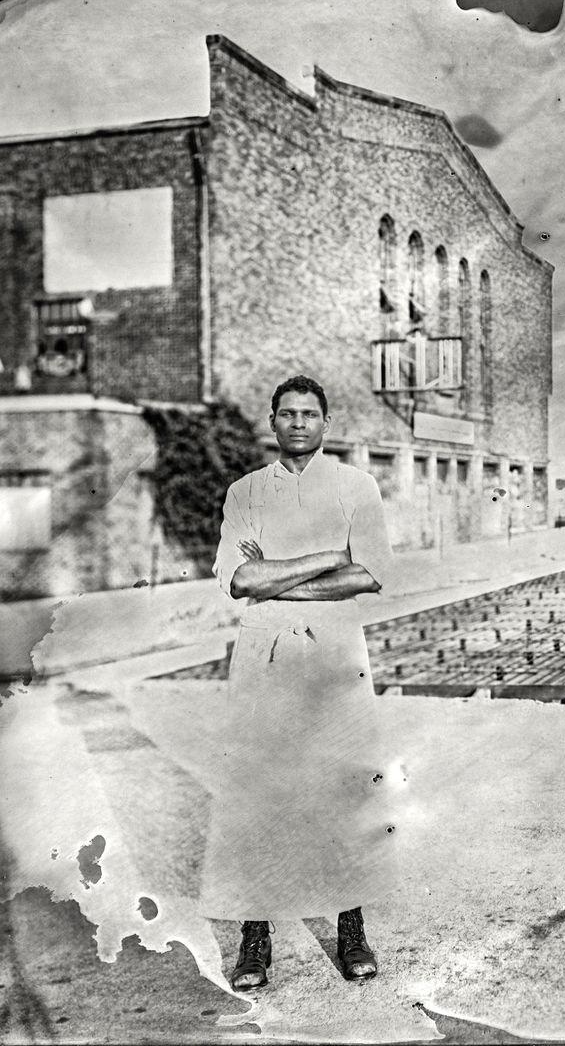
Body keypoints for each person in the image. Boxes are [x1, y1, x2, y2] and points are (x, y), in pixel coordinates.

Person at [201, 374, 398, 991]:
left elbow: (371, 573)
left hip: (335, 654)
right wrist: (328, 558)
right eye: (287, 414)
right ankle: (254, 938)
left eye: (309, 415)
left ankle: (351, 927)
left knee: (341, 787)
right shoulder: (246, 492)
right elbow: (239, 580)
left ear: (325, 423)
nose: (298, 424)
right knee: (259, 789)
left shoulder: (354, 486)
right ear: (272, 420)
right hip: (263, 654)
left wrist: (278, 576)